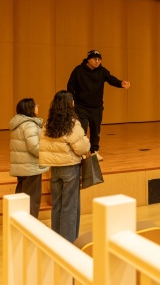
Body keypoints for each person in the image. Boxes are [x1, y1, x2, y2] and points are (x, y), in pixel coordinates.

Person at [39, 90, 91, 243]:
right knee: (70, 206)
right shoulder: (72, 124)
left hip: (54, 169)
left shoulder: (48, 124)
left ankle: (57, 240)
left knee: (57, 205)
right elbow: (82, 147)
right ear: (70, 103)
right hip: (69, 168)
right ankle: (68, 242)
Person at [67, 50, 130, 161]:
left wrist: (120, 83)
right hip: (81, 106)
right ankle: (82, 152)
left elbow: (111, 79)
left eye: (99, 59)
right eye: (95, 59)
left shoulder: (102, 71)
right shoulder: (78, 70)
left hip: (96, 107)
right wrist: (71, 99)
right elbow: (70, 85)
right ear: (88, 60)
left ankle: (94, 151)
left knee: (96, 130)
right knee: (82, 130)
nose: (97, 61)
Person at [9, 98, 49, 218]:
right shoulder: (29, 125)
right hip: (31, 167)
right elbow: (34, 147)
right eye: (35, 105)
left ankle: (18, 223)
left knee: (20, 197)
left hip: (22, 167)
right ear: (30, 108)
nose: (37, 106)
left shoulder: (18, 123)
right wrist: (47, 152)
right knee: (32, 200)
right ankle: (30, 225)